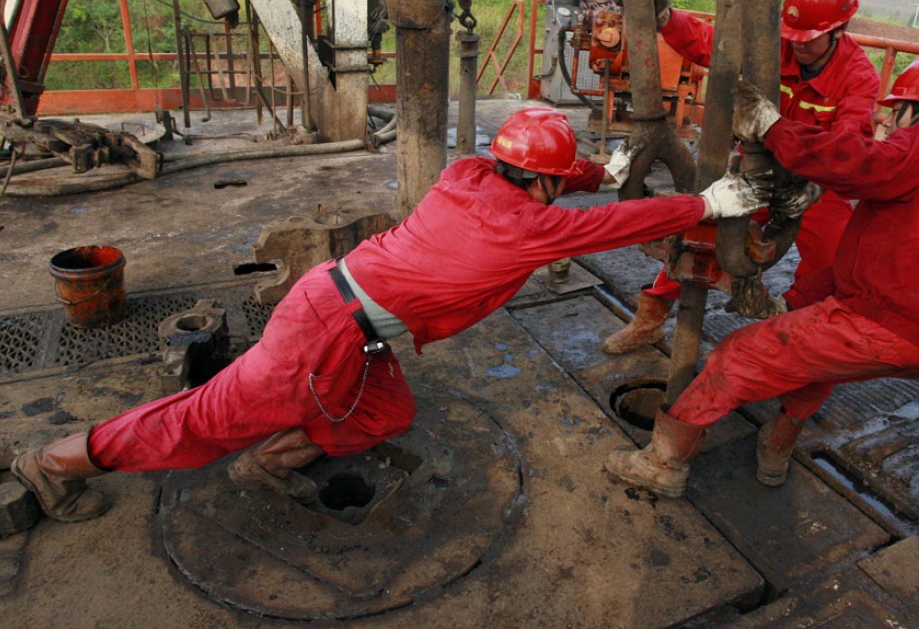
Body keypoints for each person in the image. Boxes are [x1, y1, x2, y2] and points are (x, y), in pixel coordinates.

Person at [11, 107, 771, 523]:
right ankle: (52, 463)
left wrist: (589, 170)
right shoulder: (529, 229)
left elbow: (551, 182)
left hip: (349, 323)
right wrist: (704, 203)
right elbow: (613, 225)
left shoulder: (466, 171)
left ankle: (273, 458)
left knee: (386, 414)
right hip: (324, 334)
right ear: (537, 187)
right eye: (555, 182)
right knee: (202, 417)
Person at [604, 52, 919, 497]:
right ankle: (775, 448)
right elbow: (858, 262)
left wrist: (773, 128)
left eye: (897, 110)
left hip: (889, 322)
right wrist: (789, 304)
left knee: (738, 355)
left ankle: (663, 464)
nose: (889, 120)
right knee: (814, 367)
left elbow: (855, 161)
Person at [602, 0, 881, 354]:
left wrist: (813, 185)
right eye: (794, 34)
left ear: (840, 30)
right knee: (700, 231)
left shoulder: (858, 77)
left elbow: (848, 143)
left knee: (834, 262)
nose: (799, 43)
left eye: (812, 38)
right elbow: (712, 44)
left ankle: (793, 334)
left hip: (816, 185)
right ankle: (650, 318)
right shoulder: (774, 45)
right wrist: (665, 17)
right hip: (759, 168)